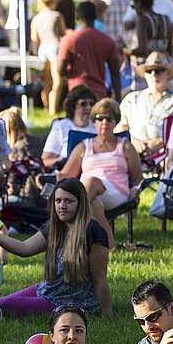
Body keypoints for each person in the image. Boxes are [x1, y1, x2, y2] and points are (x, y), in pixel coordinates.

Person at [0, 178, 111, 316]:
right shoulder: (55, 227)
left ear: (81, 204)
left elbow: (100, 280)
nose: (62, 206)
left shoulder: (92, 231)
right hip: (50, 288)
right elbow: (24, 248)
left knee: (2, 306)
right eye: (58, 200)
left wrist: (107, 315)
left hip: (71, 301)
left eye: (68, 201)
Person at [61, 98, 141, 246]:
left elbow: (137, 178)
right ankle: (109, 246)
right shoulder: (84, 146)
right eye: (100, 118)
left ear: (116, 122)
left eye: (109, 118)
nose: (104, 122)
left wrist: (135, 190)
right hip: (89, 193)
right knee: (94, 205)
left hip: (117, 192)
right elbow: (66, 174)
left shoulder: (125, 147)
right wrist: (47, 177)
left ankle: (68, 231)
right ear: (94, 121)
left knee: (91, 181)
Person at [55, 2, 120, 111]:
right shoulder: (108, 41)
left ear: (77, 17)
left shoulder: (69, 40)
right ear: (95, 16)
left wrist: (70, 74)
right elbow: (115, 72)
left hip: (76, 93)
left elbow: (60, 70)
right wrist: (118, 99)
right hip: (99, 94)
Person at [117, 52, 173, 157]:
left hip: (166, 155)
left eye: (158, 71)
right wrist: (132, 140)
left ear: (167, 74)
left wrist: (162, 142)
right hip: (132, 155)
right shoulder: (131, 99)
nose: (153, 74)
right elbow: (118, 128)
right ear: (145, 75)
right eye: (149, 71)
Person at [41, 86, 98, 169]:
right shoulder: (61, 127)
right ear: (73, 106)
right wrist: (64, 161)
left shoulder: (98, 126)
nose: (89, 107)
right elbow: (46, 160)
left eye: (91, 104)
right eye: (83, 104)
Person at [31, 0, 67, 114]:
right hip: (54, 46)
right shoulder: (57, 15)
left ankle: (46, 107)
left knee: (46, 81)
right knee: (57, 80)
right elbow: (64, 33)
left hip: (42, 49)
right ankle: (53, 109)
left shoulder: (36, 18)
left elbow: (34, 38)